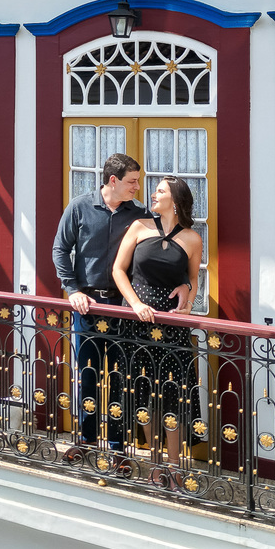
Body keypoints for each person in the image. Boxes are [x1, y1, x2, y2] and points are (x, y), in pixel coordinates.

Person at [53, 153, 190, 449]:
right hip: (87, 305)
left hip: (125, 307)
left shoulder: (140, 213)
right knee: (87, 375)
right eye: (132, 181)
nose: (138, 187)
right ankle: (87, 439)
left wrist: (186, 282)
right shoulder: (79, 207)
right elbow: (60, 250)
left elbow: (167, 246)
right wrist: (72, 289)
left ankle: (117, 446)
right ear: (113, 180)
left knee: (119, 378)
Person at [112, 175, 203, 466]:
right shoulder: (139, 227)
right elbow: (118, 270)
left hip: (171, 326)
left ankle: (173, 467)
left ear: (174, 201)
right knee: (142, 393)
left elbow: (192, 278)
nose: (153, 194)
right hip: (136, 322)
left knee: (173, 396)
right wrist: (135, 304)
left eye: (160, 191)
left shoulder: (192, 238)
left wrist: (188, 297)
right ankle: (153, 465)